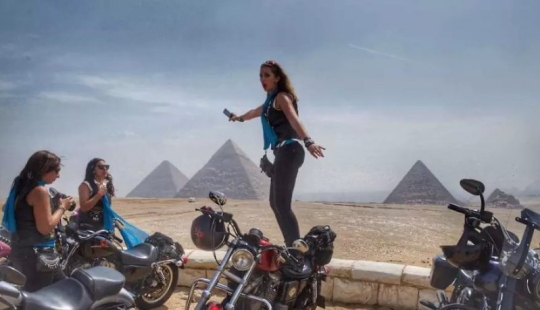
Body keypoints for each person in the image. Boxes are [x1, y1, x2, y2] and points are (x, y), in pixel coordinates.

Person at [229, 60, 326, 248]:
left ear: (277, 78)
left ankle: (296, 249)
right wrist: (238, 117)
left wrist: (309, 141)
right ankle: (291, 245)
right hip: (282, 152)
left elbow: (294, 118)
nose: (262, 79)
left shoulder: (282, 97)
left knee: (282, 204)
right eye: (260, 75)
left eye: (267, 75)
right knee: (275, 203)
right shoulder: (268, 104)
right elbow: (252, 113)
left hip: (291, 149)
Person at [1, 150, 75, 292]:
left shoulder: (21, 186)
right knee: (39, 299)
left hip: (25, 251)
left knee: (65, 289)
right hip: (37, 255)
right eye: (56, 171)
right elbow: (45, 227)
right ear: (44, 169)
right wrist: (62, 207)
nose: (58, 175)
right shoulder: (39, 191)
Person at [77, 157, 116, 231]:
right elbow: (84, 207)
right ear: (93, 170)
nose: (105, 169)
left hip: (104, 227)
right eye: (101, 167)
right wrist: (99, 194)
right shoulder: (86, 185)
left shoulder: (106, 184)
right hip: (88, 228)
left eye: (106, 167)